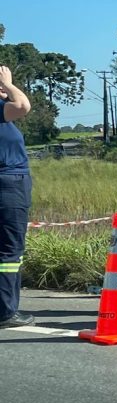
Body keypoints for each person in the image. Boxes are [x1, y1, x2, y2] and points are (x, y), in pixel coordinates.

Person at [0, 65, 34, 328]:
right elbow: (22, 106)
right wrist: (9, 84)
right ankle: (5, 311)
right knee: (10, 250)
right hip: (9, 182)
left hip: (9, 180)